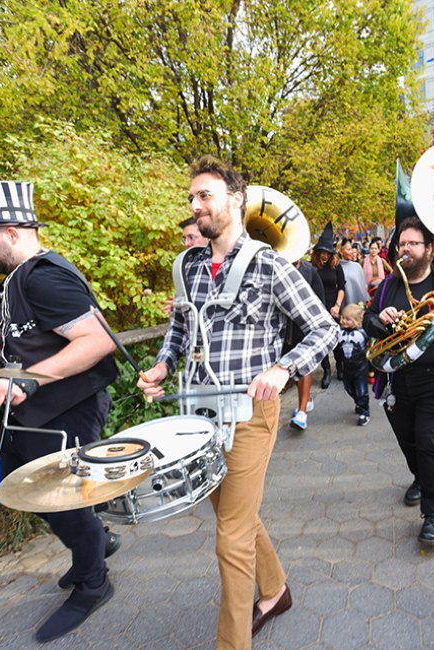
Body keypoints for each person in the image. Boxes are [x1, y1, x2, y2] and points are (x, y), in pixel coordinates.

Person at [137, 156, 338, 649]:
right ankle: (275, 591)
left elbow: (325, 328)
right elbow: (181, 328)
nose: (195, 205)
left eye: (204, 195)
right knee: (235, 513)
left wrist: (282, 368)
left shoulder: (270, 263)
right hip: (197, 414)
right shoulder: (186, 265)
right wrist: (164, 364)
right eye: (191, 197)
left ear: (235, 200)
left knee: (230, 535)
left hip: (250, 415)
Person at [0, 180, 120, 643]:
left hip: (66, 409)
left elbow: (97, 341)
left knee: (59, 498)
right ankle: (96, 541)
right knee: (18, 486)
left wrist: (24, 379)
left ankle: (94, 583)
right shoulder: (16, 279)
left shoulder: (45, 276)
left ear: (11, 231)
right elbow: (33, 344)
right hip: (33, 414)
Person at [364, 216, 434, 545]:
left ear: (430, 249)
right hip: (397, 379)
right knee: (406, 439)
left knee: (430, 442)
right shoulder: (388, 286)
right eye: (402, 243)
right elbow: (368, 320)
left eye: (414, 243)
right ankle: (419, 477)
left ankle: (432, 514)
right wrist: (380, 319)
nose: (406, 249)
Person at [286, 257, 326, 431]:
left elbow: (320, 301)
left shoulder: (311, 271)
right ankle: (306, 399)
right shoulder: (279, 267)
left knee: (304, 366)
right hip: (285, 328)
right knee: (294, 369)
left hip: (304, 327)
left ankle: (302, 413)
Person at [311, 223, 344, 389]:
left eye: (328, 253)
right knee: (321, 342)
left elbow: (342, 288)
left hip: (333, 308)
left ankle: (340, 365)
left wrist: (337, 306)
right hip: (318, 308)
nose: (325, 256)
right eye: (322, 253)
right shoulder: (312, 267)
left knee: (336, 340)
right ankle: (326, 370)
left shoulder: (336, 265)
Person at [335, 303, 371, 426]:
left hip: (361, 368)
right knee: (348, 388)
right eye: (343, 318)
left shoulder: (362, 333)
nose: (344, 321)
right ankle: (358, 401)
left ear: (356, 321)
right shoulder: (339, 332)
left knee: (361, 390)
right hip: (347, 368)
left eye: (347, 319)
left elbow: (372, 341)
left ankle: (364, 412)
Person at [339, 237, 369, 308]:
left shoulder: (357, 266)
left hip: (360, 307)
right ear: (341, 251)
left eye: (351, 249)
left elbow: (363, 286)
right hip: (343, 308)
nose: (352, 252)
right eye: (348, 249)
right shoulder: (336, 268)